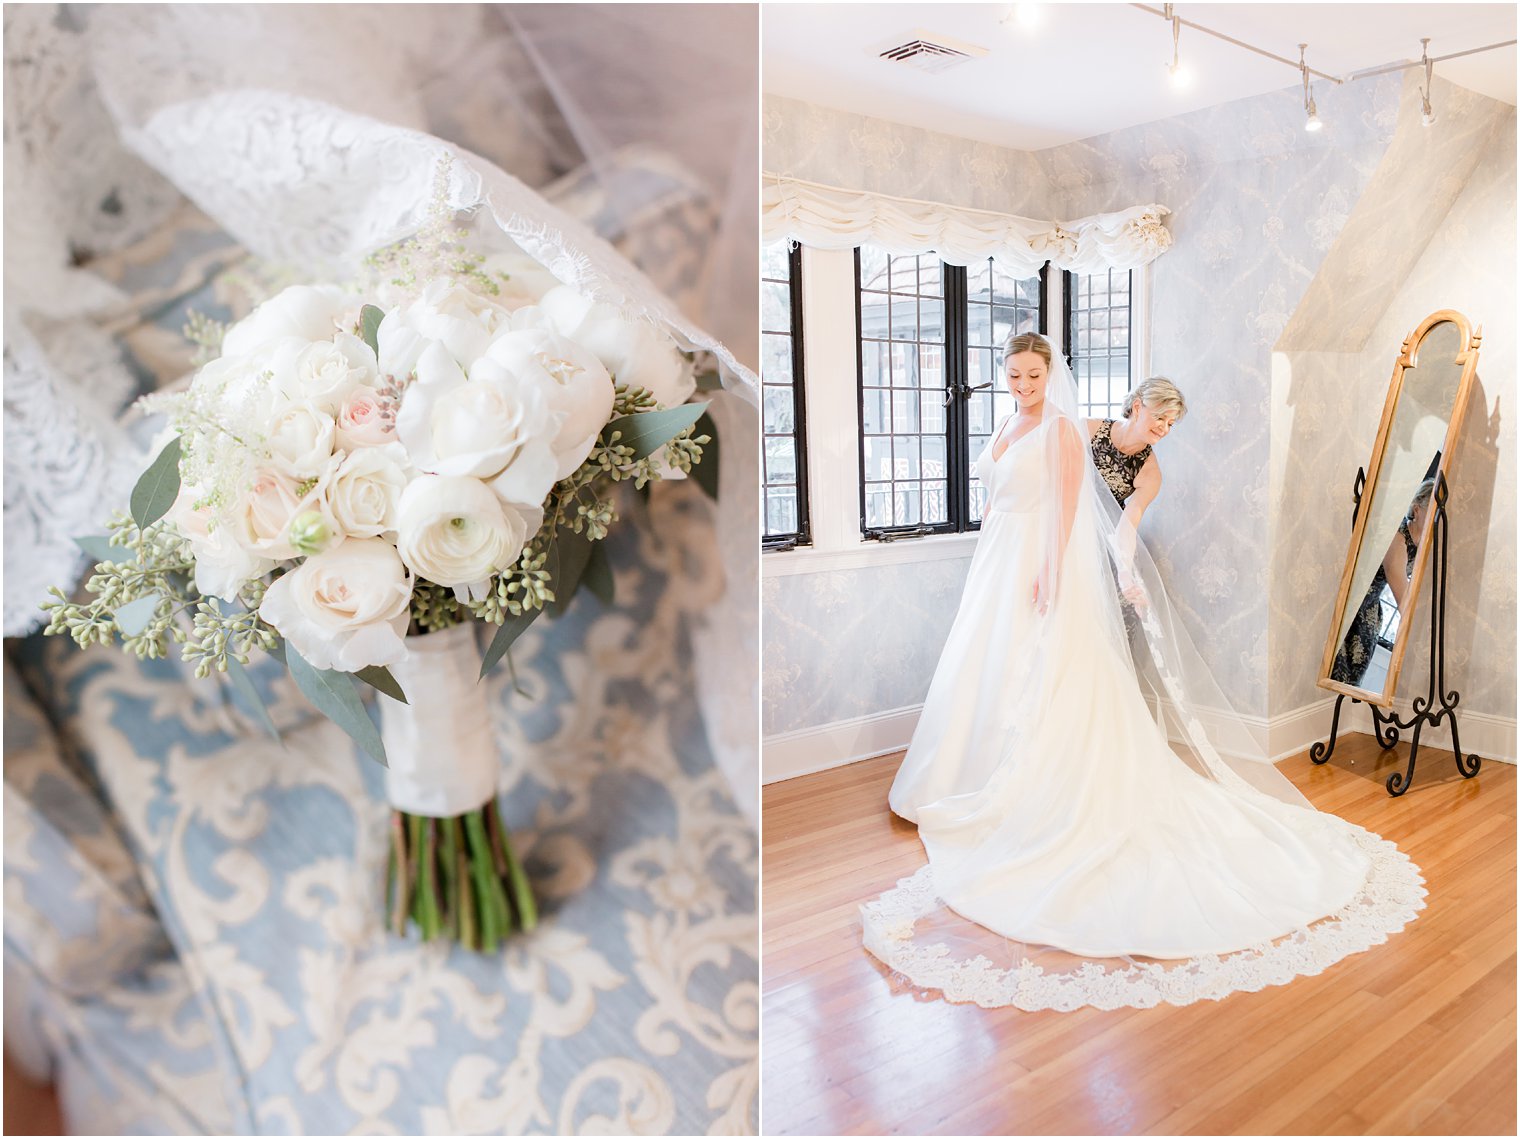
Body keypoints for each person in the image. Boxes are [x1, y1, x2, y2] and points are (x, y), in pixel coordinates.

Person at [870, 332, 1422, 1011]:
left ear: (1050, 374)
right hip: (1003, 557)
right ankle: (969, 771)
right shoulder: (1057, 423)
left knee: (1057, 674)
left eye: (1169, 424)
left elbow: (1098, 515)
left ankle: (1040, 783)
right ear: (1133, 406)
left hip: (1057, 557)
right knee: (985, 666)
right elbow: (1014, 487)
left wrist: (1117, 571)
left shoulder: (1129, 461)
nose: (1160, 429)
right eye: (1013, 373)